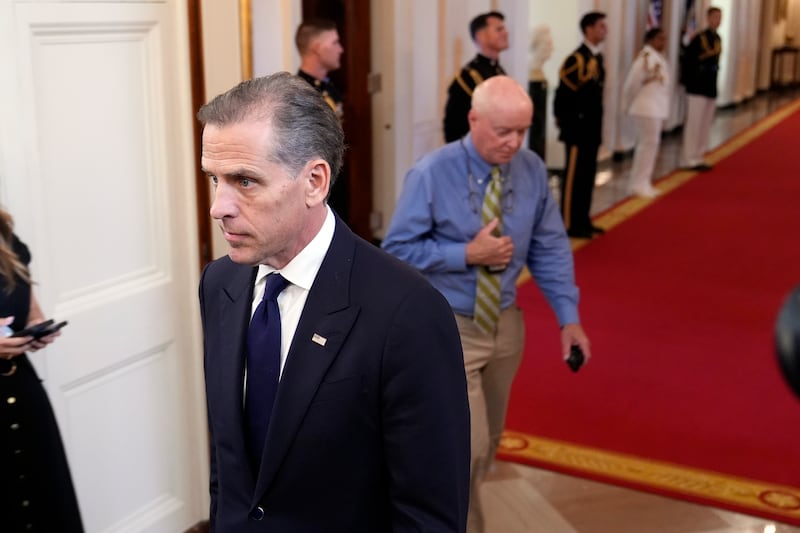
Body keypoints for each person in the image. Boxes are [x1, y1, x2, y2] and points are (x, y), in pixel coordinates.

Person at [197, 72, 470, 532]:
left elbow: (429, 515)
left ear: (315, 182)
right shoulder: (219, 283)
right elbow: (230, 467)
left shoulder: (406, 312)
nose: (219, 206)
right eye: (214, 179)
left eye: (244, 181)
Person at [382, 75, 592, 533]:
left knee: (488, 445)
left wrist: (568, 318)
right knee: (467, 448)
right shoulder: (431, 173)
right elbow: (395, 251)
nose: (515, 143)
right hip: (449, 327)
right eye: (504, 132)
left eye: (524, 131)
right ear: (473, 119)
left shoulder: (532, 170)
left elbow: (551, 246)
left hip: (505, 326)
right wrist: (466, 254)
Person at [0, 208, 83, 532]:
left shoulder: (5, 235)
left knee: (45, 501)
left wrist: (37, 328)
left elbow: (30, 312)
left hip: (21, 390)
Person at [554, 11, 608, 239]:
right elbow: (562, 98)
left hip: (592, 129)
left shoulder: (596, 58)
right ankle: (568, 223)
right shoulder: (576, 60)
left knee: (588, 176)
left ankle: (583, 219)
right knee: (574, 178)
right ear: (588, 29)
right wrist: (568, 127)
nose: (604, 30)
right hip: (577, 130)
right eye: (600, 26)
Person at [443, 11, 509, 143]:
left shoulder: (499, 70)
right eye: (499, 29)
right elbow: (453, 127)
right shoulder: (468, 77)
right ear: (481, 36)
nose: (506, 33)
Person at [621, 27, 671, 198]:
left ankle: (643, 181)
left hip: (654, 108)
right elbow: (632, 84)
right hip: (646, 108)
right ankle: (638, 184)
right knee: (647, 145)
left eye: (664, 39)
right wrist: (627, 104)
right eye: (660, 39)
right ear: (650, 40)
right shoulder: (645, 58)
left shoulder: (657, 57)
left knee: (650, 145)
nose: (663, 42)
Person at [680, 6, 722, 172]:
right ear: (708, 18)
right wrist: (689, 82)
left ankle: (699, 155)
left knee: (705, 124)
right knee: (694, 123)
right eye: (715, 17)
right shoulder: (699, 38)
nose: (718, 20)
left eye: (720, 17)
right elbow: (689, 62)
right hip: (697, 87)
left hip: (710, 86)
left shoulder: (717, 38)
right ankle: (689, 158)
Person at [295, 18, 344, 121]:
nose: (340, 50)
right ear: (317, 48)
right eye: (335, 43)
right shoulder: (298, 95)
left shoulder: (328, 86)